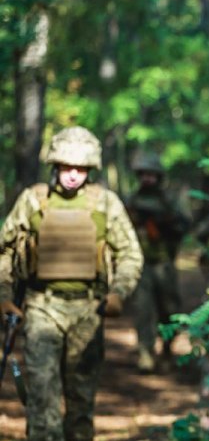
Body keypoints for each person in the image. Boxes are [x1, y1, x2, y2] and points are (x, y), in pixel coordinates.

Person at [0, 126, 143, 441]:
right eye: (67, 167)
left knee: (81, 401)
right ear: (55, 166)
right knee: (42, 397)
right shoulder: (33, 200)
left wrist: (119, 293)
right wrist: (5, 297)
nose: (73, 175)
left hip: (88, 310)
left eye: (81, 168)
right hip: (41, 307)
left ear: (90, 170)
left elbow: (130, 253)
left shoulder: (106, 203)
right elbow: (5, 251)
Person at [126, 151, 190, 373]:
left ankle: (167, 350)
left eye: (151, 175)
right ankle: (145, 352)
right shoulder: (132, 200)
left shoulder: (170, 201)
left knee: (168, 309)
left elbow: (184, 226)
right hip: (141, 263)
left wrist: (165, 223)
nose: (147, 179)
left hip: (164, 263)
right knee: (143, 309)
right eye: (143, 174)